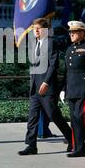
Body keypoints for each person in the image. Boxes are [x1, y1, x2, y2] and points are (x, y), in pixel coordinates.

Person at [18, 18, 72, 155]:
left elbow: (53, 65)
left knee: (54, 115)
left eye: (38, 28)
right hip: (35, 87)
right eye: (34, 28)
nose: (36, 31)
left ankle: (72, 138)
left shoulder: (50, 42)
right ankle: (31, 146)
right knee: (32, 117)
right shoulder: (34, 43)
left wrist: (46, 82)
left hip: (46, 87)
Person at [59, 21, 85, 157]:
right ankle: (79, 148)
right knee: (74, 119)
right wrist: (63, 89)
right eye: (70, 32)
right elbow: (67, 72)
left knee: (80, 116)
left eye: (74, 32)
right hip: (71, 89)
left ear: (83, 33)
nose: (71, 34)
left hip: (83, 89)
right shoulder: (70, 49)